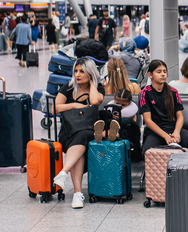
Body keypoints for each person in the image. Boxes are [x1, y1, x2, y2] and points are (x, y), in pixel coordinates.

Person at [52, 57, 104, 208]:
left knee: (81, 137)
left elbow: (95, 101)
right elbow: (55, 108)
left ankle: (69, 181)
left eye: (82, 71)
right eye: (76, 71)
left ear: (90, 73)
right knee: (78, 142)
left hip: (87, 130)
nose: (78, 74)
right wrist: (74, 105)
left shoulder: (97, 88)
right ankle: (75, 192)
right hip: (68, 131)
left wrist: (93, 82)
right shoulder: (68, 87)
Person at [140, 60, 188, 153]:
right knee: (146, 152)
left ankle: (181, 154)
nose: (163, 74)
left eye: (164, 71)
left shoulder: (173, 91)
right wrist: (165, 136)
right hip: (156, 132)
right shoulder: (144, 93)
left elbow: (180, 116)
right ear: (150, 75)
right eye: (159, 72)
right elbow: (148, 121)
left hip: (173, 128)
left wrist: (176, 132)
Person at [103, 88, 142, 160]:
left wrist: (122, 118)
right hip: (110, 127)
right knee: (103, 116)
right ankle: (106, 133)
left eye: (123, 105)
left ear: (129, 102)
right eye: (117, 104)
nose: (120, 107)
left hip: (125, 132)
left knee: (126, 122)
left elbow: (134, 128)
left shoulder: (132, 113)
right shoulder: (110, 110)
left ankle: (112, 134)